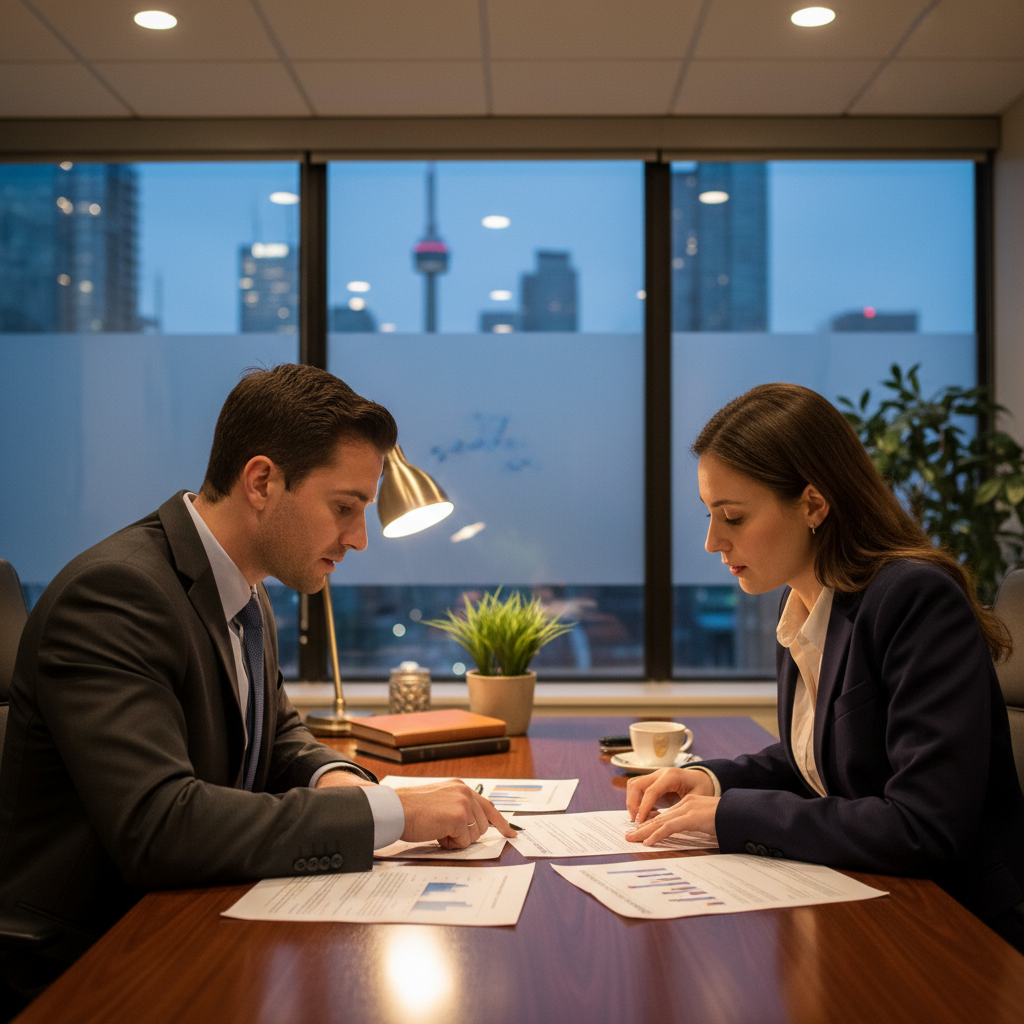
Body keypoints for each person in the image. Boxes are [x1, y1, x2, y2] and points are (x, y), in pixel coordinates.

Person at [0, 364, 515, 974]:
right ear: (263, 482)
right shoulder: (117, 594)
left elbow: (276, 740)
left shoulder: (245, 588)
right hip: (95, 955)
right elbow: (158, 827)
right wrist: (395, 814)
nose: (359, 539)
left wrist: (342, 782)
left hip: (195, 918)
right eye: (345, 507)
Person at [625, 382, 1024, 949]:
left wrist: (730, 816)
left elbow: (923, 827)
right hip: (867, 904)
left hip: (950, 928)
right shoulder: (807, 601)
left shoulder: (913, 598)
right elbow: (827, 760)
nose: (714, 541)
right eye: (710, 515)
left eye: (732, 517)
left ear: (813, 504)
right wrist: (711, 779)